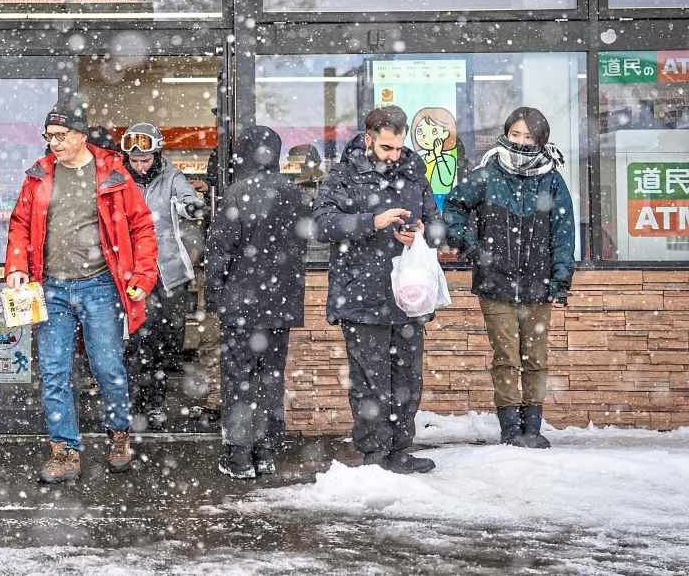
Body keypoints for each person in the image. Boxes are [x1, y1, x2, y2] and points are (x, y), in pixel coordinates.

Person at [5, 93, 159, 484]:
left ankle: (119, 435)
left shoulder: (113, 174)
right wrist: (17, 267)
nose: (53, 142)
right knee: (55, 371)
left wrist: (143, 277)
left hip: (100, 286)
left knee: (108, 367)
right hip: (51, 288)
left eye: (60, 135)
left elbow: (141, 227)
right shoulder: (39, 174)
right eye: (49, 135)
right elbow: (20, 225)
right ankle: (65, 450)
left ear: (80, 135)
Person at [311, 105, 445, 475]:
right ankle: (374, 454)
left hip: (408, 296)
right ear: (369, 138)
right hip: (360, 295)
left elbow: (437, 223)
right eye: (386, 147)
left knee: (407, 379)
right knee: (370, 381)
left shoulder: (414, 171)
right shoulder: (343, 175)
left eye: (398, 148)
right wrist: (373, 221)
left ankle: (400, 450)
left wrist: (421, 232)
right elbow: (321, 224)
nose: (393, 155)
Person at [444, 106, 575, 449]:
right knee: (506, 356)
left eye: (528, 136)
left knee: (536, 358)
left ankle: (532, 425)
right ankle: (509, 428)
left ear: (541, 140)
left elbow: (563, 234)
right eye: (515, 134)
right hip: (495, 283)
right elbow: (454, 206)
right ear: (506, 134)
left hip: (538, 283)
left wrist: (560, 279)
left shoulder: (552, 179)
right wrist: (469, 247)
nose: (520, 141)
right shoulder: (488, 174)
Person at [205, 127, 308, 479]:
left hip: (242, 305)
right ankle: (265, 452)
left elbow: (220, 252)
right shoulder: (294, 195)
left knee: (239, 379)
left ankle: (238, 456)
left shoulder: (236, 195)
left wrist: (214, 296)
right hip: (280, 304)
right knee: (271, 377)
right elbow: (301, 250)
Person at [121, 122, 204, 429]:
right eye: (135, 160)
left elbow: (186, 199)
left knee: (163, 341)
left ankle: (154, 402)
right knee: (134, 340)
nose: (140, 166)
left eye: (145, 160)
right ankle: (132, 404)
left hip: (167, 272)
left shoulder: (172, 178)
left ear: (157, 155)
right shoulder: (120, 180)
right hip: (131, 273)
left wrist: (192, 205)